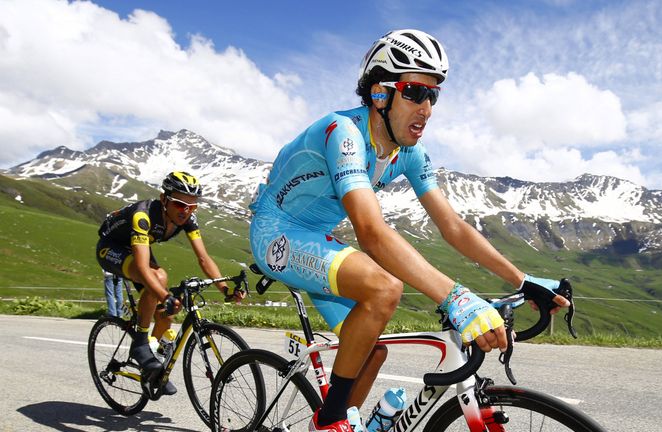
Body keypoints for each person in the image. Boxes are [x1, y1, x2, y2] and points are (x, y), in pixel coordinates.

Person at [249, 29, 571, 432]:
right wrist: (456, 298)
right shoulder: (343, 133)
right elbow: (370, 230)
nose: (427, 108)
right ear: (380, 93)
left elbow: (453, 226)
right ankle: (330, 419)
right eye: (415, 93)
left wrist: (523, 281)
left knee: (371, 352)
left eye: (433, 96)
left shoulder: (410, 154)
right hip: (276, 232)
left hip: (316, 235)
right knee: (384, 288)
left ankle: (336, 423)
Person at [96, 171, 245, 395]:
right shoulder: (143, 216)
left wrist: (224, 289)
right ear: (164, 199)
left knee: (166, 317)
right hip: (112, 248)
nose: (185, 211)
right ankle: (139, 345)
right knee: (160, 279)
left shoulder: (188, 220)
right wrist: (165, 296)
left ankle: (152, 368)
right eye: (179, 204)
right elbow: (145, 269)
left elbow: (204, 258)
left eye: (192, 206)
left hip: (140, 248)